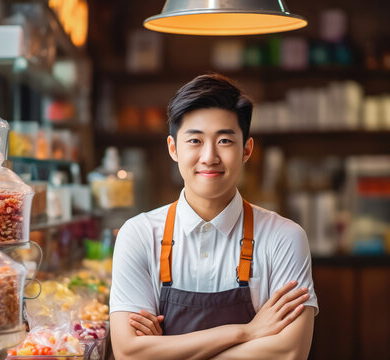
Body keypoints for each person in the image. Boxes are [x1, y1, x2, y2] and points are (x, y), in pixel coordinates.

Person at [110, 73, 318, 360]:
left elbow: (289, 352)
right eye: (195, 140)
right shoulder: (138, 235)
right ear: (173, 148)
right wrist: (246, 333)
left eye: (224, 141)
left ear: (247, 150)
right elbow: (128, 353)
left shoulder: (284, 237)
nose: (209, 156)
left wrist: (165, 351)